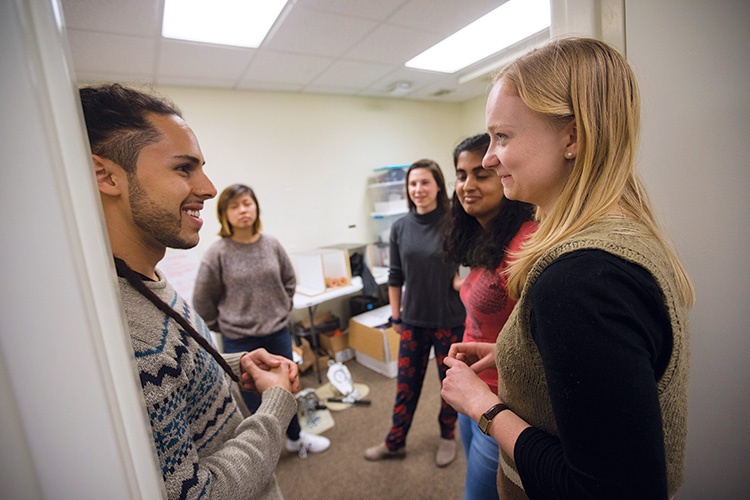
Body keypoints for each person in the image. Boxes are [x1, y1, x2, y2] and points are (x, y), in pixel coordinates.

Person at [441, 37, 693, 500]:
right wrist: (519, 355)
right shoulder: (619, 234)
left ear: (572, 137)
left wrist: (484, 406)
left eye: (503, 136)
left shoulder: (582, 279)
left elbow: (614, 490)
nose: (490, 158)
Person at [81, 83, 300, 500]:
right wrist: (274, 405)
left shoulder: (146, 281)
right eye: (184, 168)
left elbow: (179, 373)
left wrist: (231, 364)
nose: (208, 188)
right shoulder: (131, 338)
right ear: (106, 176)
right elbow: (196, 494)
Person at [192, 184, 330, 457]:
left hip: (277, 332)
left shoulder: (271, 245)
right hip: (239, 340)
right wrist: (225, 327)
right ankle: (264, 454)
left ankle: (295, 438)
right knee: (254, 399)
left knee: (286, 390)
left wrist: (281, 310)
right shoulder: (218, 253)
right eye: (234, 206)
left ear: (256, 207)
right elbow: (201, 301)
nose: (243, 210)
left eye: (247, 203)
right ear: (224, 214)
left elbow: (289, 281)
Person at [444, 133, 536, 499]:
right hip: (473, 387)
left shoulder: (526, 241)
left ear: (503, 174)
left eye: (481, 174)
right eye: (461, 175)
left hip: (502, 400)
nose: (467, 185)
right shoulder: (483, 239)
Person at [364, 159, 466, 467]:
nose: (418, 189)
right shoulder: (400, 227)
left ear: (437, 185)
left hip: (450, 320)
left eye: (424, 182)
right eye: (412, 184)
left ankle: (447, 436)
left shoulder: (456, 223)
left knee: (449, 386)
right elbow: (395, 276)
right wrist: (396, 316)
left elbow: (471, 266)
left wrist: (463, 282)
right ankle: (395, 441)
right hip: (413, 321)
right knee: (406, 386)